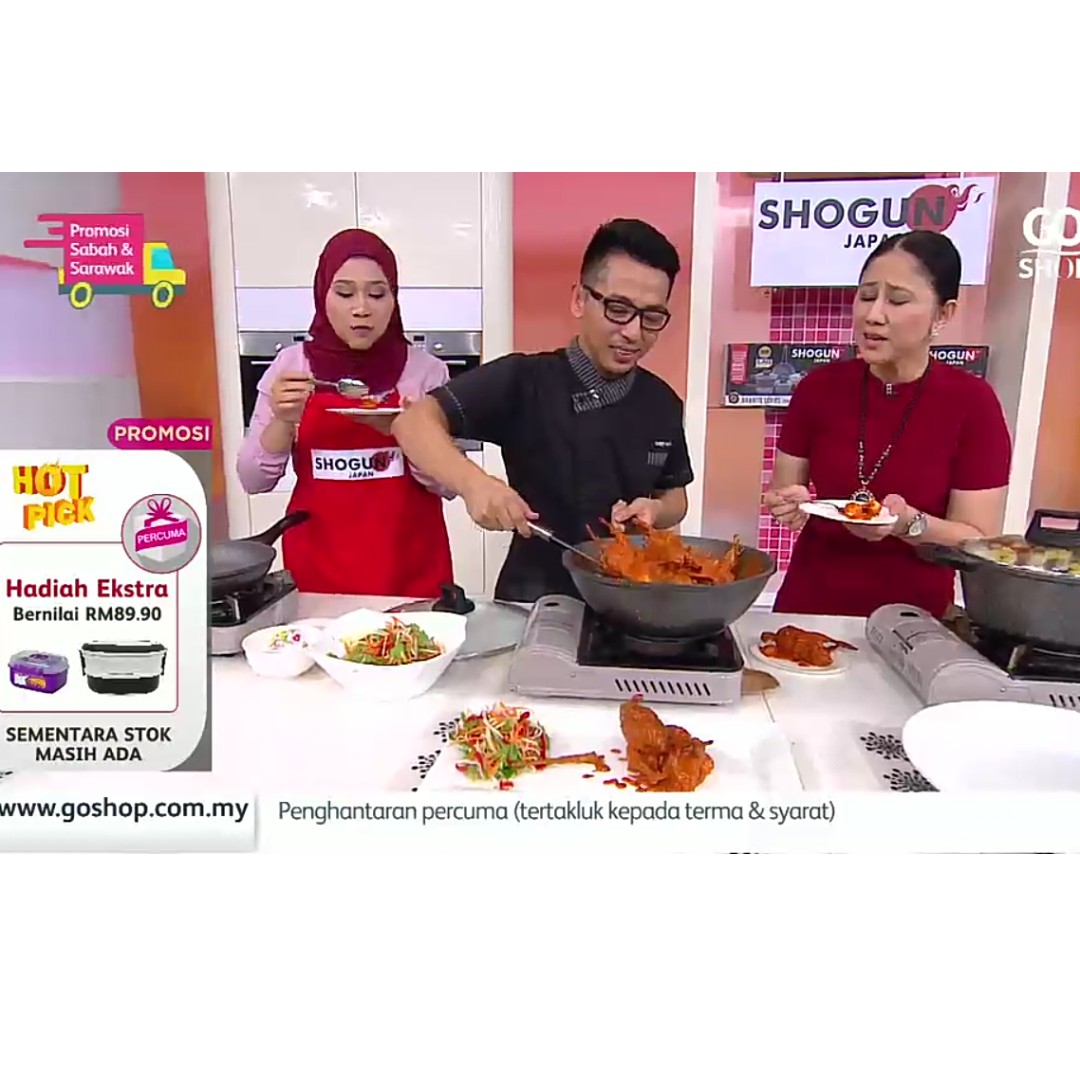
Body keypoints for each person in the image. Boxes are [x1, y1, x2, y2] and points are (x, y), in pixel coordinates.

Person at [392, 218, 694, 603]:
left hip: (629, 601)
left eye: (651, 317)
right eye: (618, 309)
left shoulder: (662, 402)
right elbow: (414, 422)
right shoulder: (524, 379)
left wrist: (655, 510)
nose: (633, 333)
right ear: (579, 299)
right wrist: (474, 484)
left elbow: (675, 497)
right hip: (531, 600)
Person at [762, 230, 1012, 619]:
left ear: (943, 314)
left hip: (913, 619)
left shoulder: (973, 403)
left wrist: (907, 524)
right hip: (809, 609)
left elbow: (978, 539)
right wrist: (788, 504)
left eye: (897, 300)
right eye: (866, 296)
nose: (873, 315)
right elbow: (784, 491)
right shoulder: (818, 388)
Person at [236, 228, 453, 597]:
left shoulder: (427, 373)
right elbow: (253, 481)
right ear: (322, 295)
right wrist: (283, 420)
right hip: (318, 577)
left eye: (377, 294)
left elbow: (448, 485)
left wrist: (411, 431)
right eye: (344, 292)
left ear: (394, 298)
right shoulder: (291, 367)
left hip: (412, 572)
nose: (362, 308)